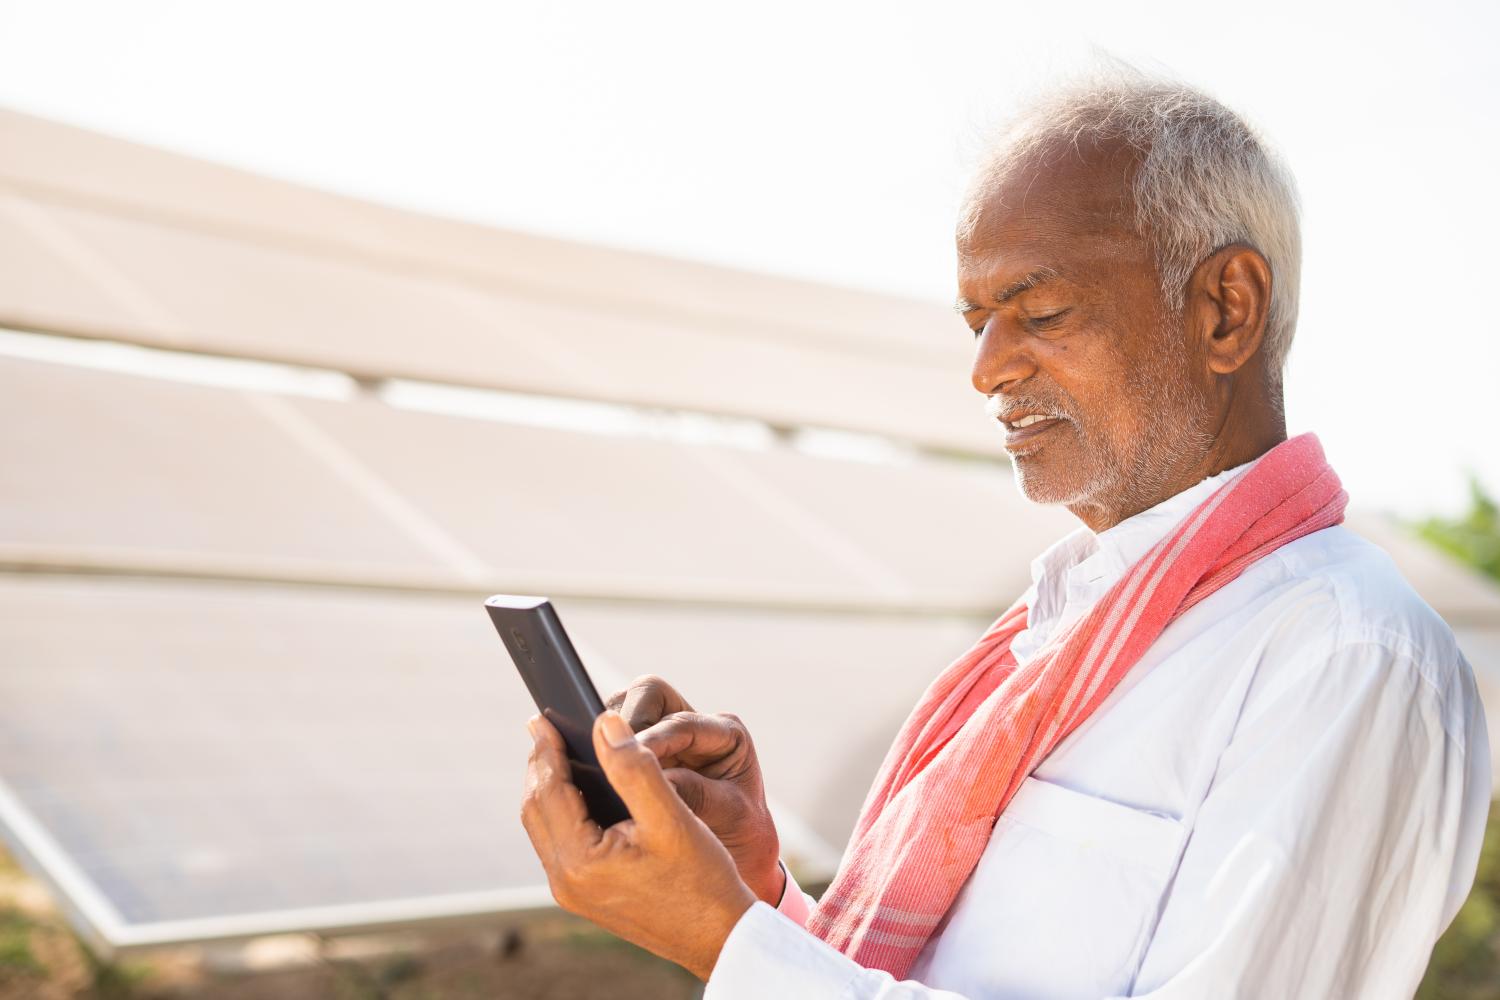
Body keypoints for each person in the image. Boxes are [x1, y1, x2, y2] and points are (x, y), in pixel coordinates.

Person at [518, 69, 1493, 998]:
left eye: (1041, 309)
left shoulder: (1345, 656)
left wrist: (726, 942)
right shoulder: (1073, 629)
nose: (985, 369)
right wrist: (756, 895)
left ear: (1226, 309)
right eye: (977, 320)